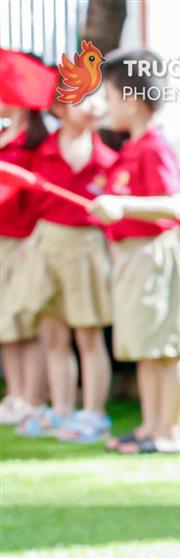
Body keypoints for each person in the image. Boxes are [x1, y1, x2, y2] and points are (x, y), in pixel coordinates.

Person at [91, 48, 180, 454]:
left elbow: (174, 205)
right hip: (132, 258)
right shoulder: (130, 149)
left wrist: (123, 207)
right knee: (146, 348)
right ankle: (150, 428)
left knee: (168, 349)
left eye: (110, 96)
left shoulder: (154, 147)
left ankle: (171, 432)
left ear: (133, 100)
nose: (106, 106)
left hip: (156, 256)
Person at [3, 80, 114, 443]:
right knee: (53, 335)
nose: (95, 106)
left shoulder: (108, 160)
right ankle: (62, 410)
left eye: (99, 98)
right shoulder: (42, 152)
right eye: (85, 99)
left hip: (87, 248)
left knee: (89, 335)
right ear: (59, 109)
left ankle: (93, 412)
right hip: (47, 246)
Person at [0, 85, 50, 427]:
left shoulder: (35, 144)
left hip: (24, 242)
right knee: (6, 323)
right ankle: (15, 394)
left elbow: (39, 196)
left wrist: (33, 237)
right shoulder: (4, 137)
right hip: (2, 240)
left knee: (26, 322)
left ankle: (33, 398)